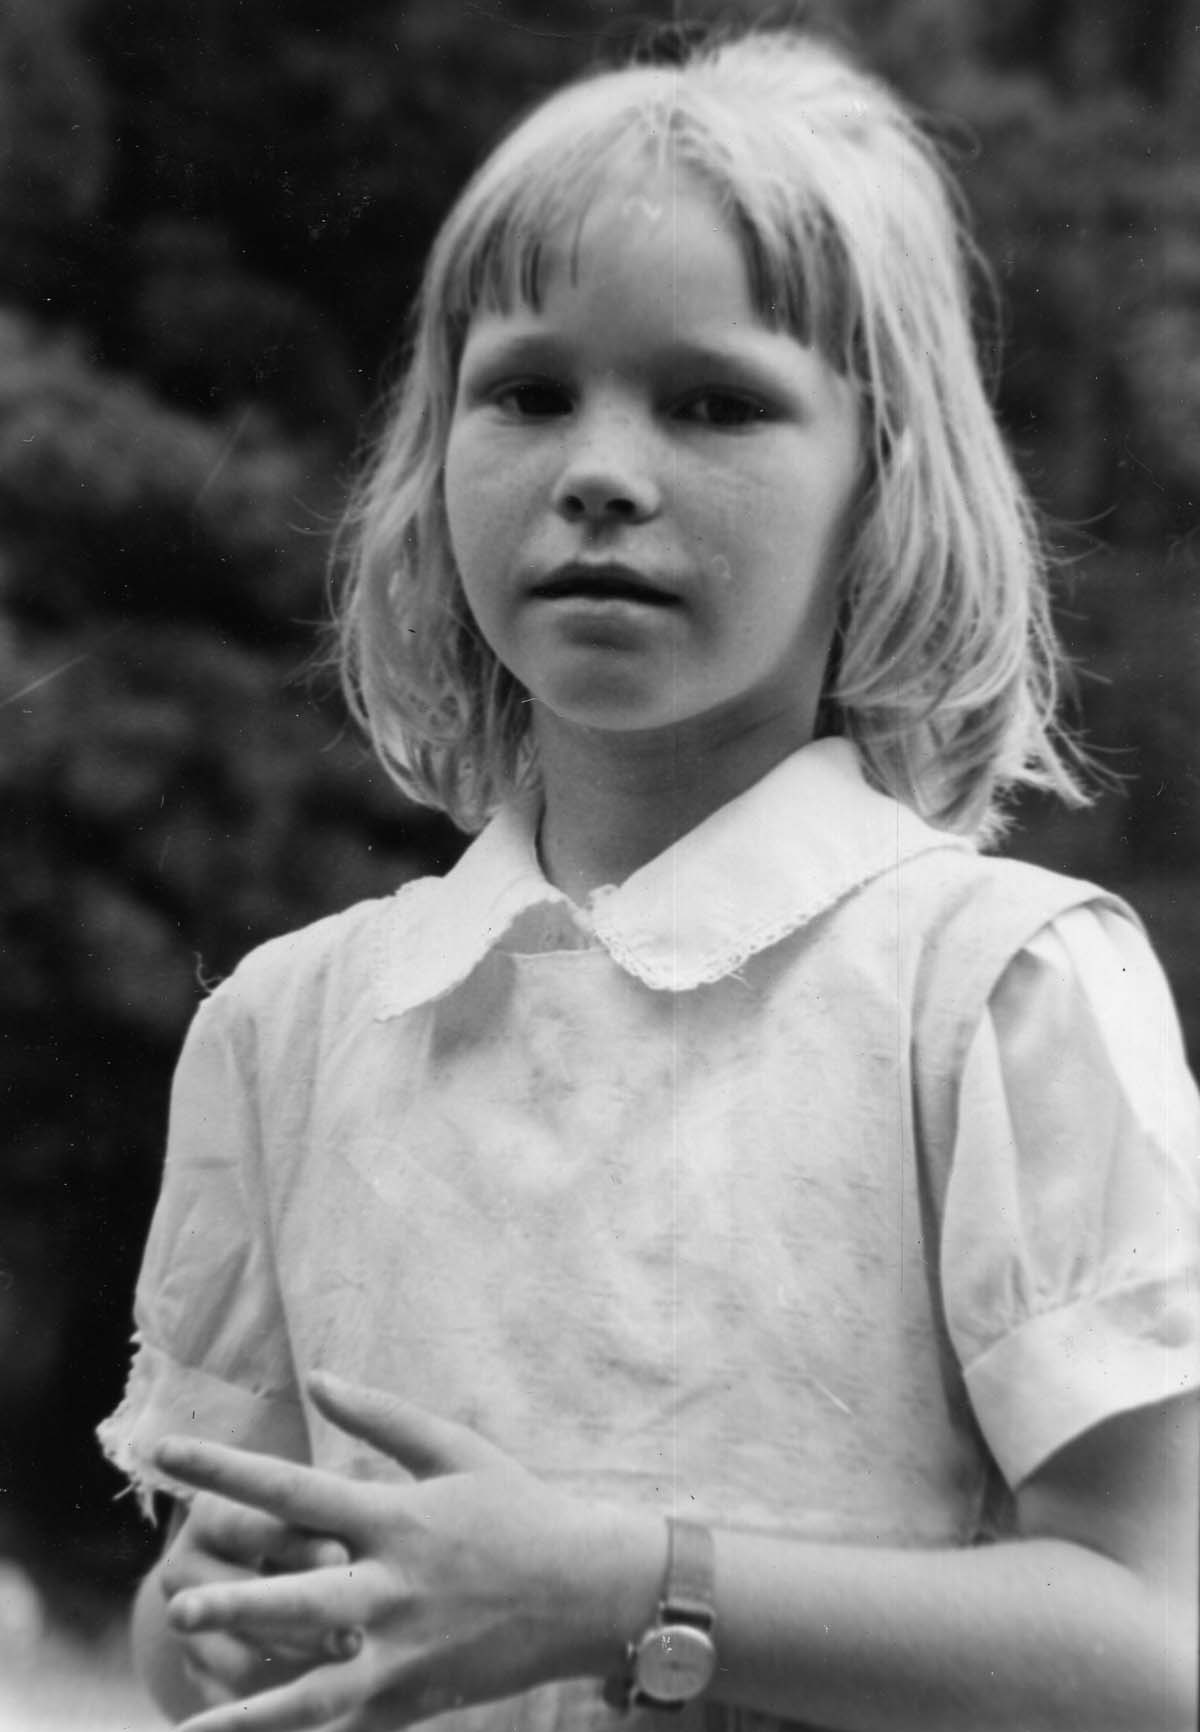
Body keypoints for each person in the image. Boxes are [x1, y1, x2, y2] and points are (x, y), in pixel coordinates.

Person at [98, 22, 1200, 1732]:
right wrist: (218, 1621)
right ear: (433, 458)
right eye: (529, 393)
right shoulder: (289, 1028)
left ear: (883, 481)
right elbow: (197, 1634)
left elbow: (1152, 1648)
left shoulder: (998, 988)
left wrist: (629, 1592)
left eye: (714, 403)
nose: (601, 472)